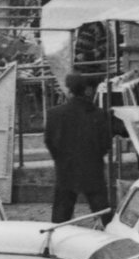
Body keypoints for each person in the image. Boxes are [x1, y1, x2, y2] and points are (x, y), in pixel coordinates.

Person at [43, 72, 128, 224]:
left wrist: (61, 159)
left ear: (69, 90)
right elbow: (106, 143)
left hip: (65, 168)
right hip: (92, 168)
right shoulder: (101, 115)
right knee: (103, 211)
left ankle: (52, 244)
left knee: (61, 215)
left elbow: (49, 142)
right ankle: (110, 238)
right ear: (88, 91)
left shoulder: (54, 114)